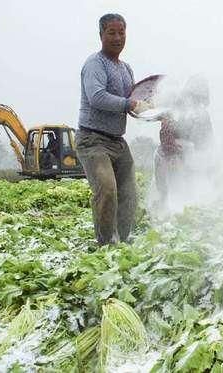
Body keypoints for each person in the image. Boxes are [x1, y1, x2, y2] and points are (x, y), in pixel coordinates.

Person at [76, 13, 149, 245]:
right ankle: (106, 245)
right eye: (112, 32)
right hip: (92, 140)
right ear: (101, 35)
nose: (118, 37)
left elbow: (132, 103)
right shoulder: (94, 64)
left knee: (129, 195)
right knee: (107, 190)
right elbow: (96, 97)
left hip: (117, 141)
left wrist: (150, 111)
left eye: (121, 32)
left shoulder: (125, 69)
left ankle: (122, 241)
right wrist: (129, 104)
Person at [154, 75, 214, 208]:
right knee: (171, 191)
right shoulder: (175, 109)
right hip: (169, 155)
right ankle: (165, 206)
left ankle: (188, 208)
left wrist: (208, 164)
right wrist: (172, 155)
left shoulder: (204, 116)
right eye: (194, 97)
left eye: (200, 99)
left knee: (192, 190)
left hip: (190, 158)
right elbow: (166, 132)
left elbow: (208, 142)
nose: (196, 101)